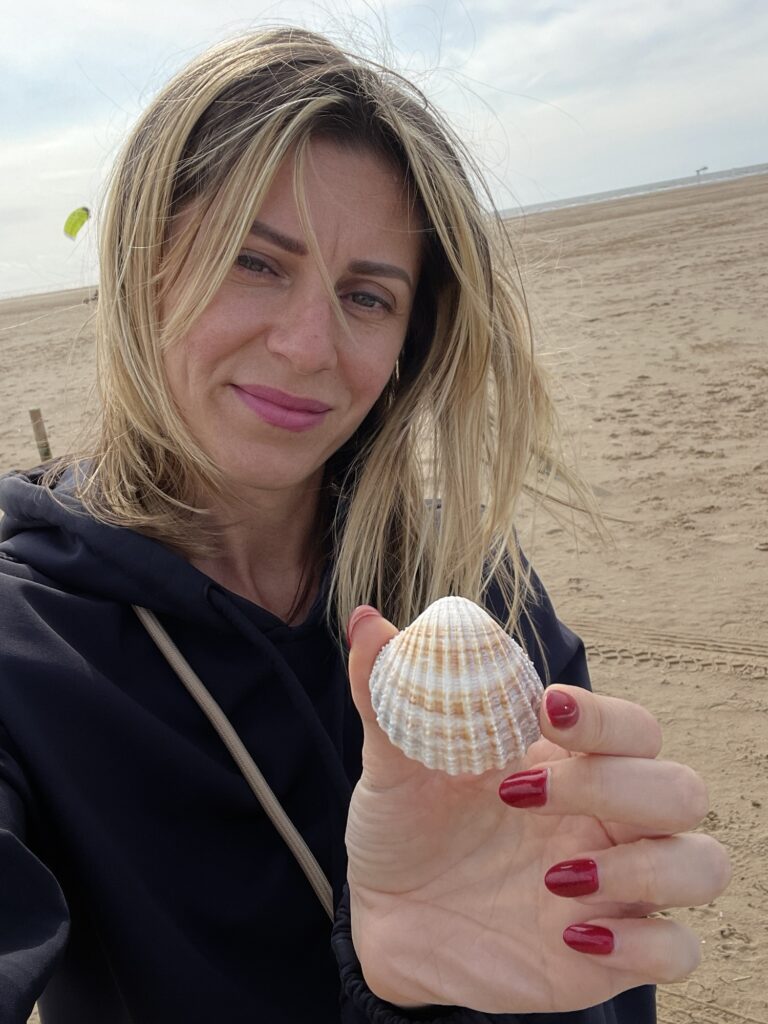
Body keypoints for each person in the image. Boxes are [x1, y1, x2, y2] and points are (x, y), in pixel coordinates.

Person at [0, 26, 729, 1024]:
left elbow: (599, 984)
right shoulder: (23, 637)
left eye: (367, 295)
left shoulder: (470, 582)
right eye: (254, 262)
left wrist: (463, 992)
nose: (309, 346)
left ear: (407, 342)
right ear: (144, 268)